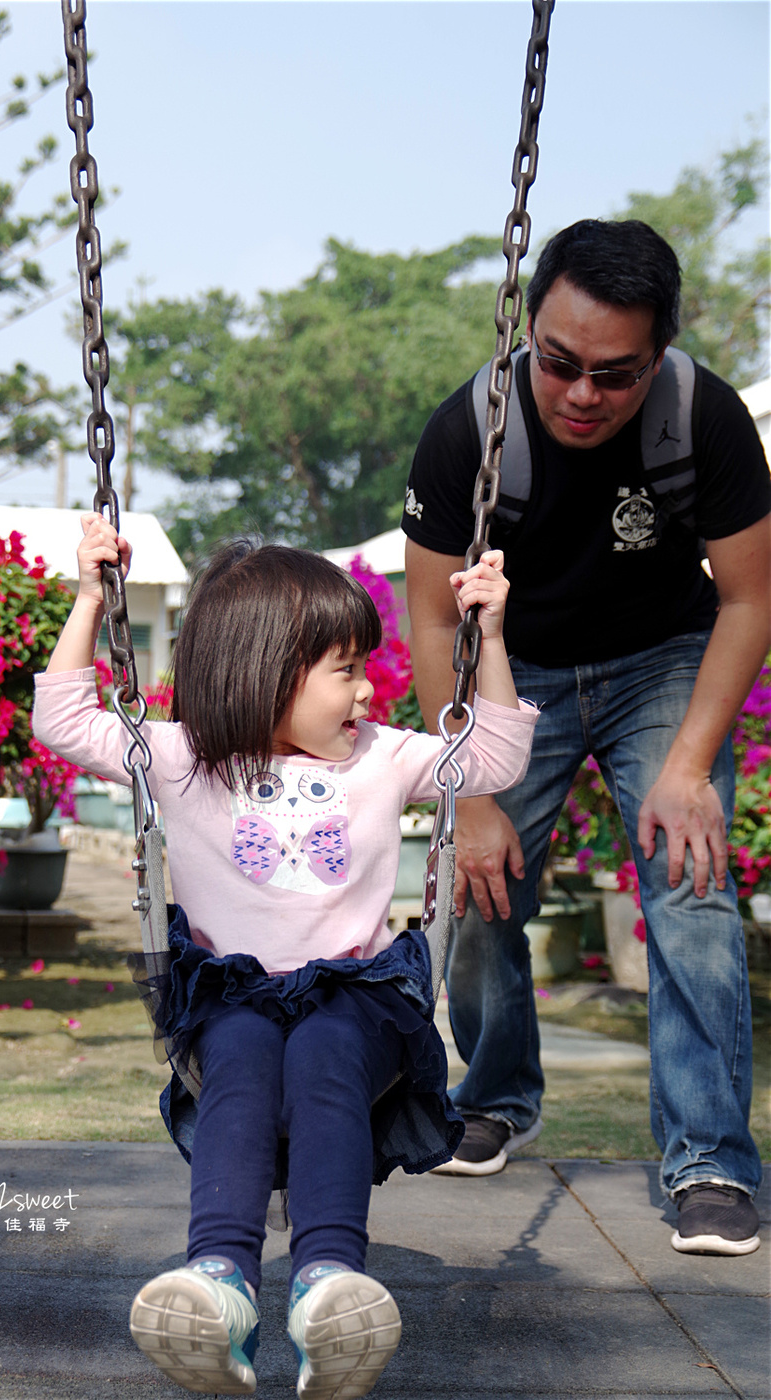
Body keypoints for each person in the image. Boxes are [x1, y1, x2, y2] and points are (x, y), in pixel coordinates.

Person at [34, 515, 537, 1397]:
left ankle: (325, 1283)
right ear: (266, 673)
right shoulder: (185, 759)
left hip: (357, 996)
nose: (366, 691)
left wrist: (487, 637)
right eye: (344, 670)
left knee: (323, 1051)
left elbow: (492, 755)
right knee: (236, 1054)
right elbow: (65, 719)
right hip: (232, 995)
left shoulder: (382, 758)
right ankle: (219, 1285)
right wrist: (87, 597)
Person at [402, 217, 771, 1257]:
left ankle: (709, 1158)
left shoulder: (704, 419)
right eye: (559, 363)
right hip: (518, 676)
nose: (580, 394)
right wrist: (469, 793)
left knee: (691, 886)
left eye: (614, 374)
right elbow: (433, 621)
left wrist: (691, 765)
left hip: (663, 661)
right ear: (529, 330)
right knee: (479, 891)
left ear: (654, 356)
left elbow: (749, 600)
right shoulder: (467, 428)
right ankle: (497, 1091)